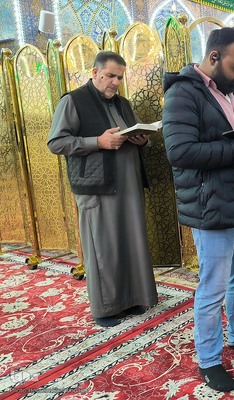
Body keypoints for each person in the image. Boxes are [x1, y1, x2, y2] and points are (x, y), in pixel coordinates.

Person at [162, 27, 234, 393]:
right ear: (214, 57)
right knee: (212, 289)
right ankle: (209, 360)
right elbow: (180, 152)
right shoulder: (183, 93)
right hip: (213, 209)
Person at [47, 51, 158, 327]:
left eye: (119, 77)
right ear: (95, 72)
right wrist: (97, 142)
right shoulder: (73, 101)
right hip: (96, 186)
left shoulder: (123, 103)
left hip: (129, 183)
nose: (115, 82)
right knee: (103, 247)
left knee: (130, 241)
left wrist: (143, 141)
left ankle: (132, 299)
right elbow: (56, 143)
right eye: (110, 76)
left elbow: (137, 134)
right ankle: (105, 308)